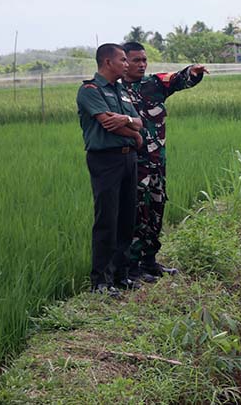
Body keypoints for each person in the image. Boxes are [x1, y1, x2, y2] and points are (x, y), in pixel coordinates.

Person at [122, 42, 208, 281]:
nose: (141, 64)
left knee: (156, 210)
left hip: (157, 161)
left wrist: (193, 71)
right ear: (123, 61)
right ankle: (132, 267)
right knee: (137, 214)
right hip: (133, 164)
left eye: (144, 60)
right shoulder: (115, 91)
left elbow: (178, 78)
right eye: (135, 60)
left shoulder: (153, 84)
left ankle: (150, 261)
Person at [76, 43, 144, 297]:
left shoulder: (121, 91)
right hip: (105, 160)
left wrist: (127, 122)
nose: (127, 64)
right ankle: (101, 282)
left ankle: (121, 275)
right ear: (107, 62)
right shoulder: (89, 90)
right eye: (123, 60)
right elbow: (106, 123)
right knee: (107, 219)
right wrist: (134, 134)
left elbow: (137, 121)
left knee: (127, 218)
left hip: (128, 160)